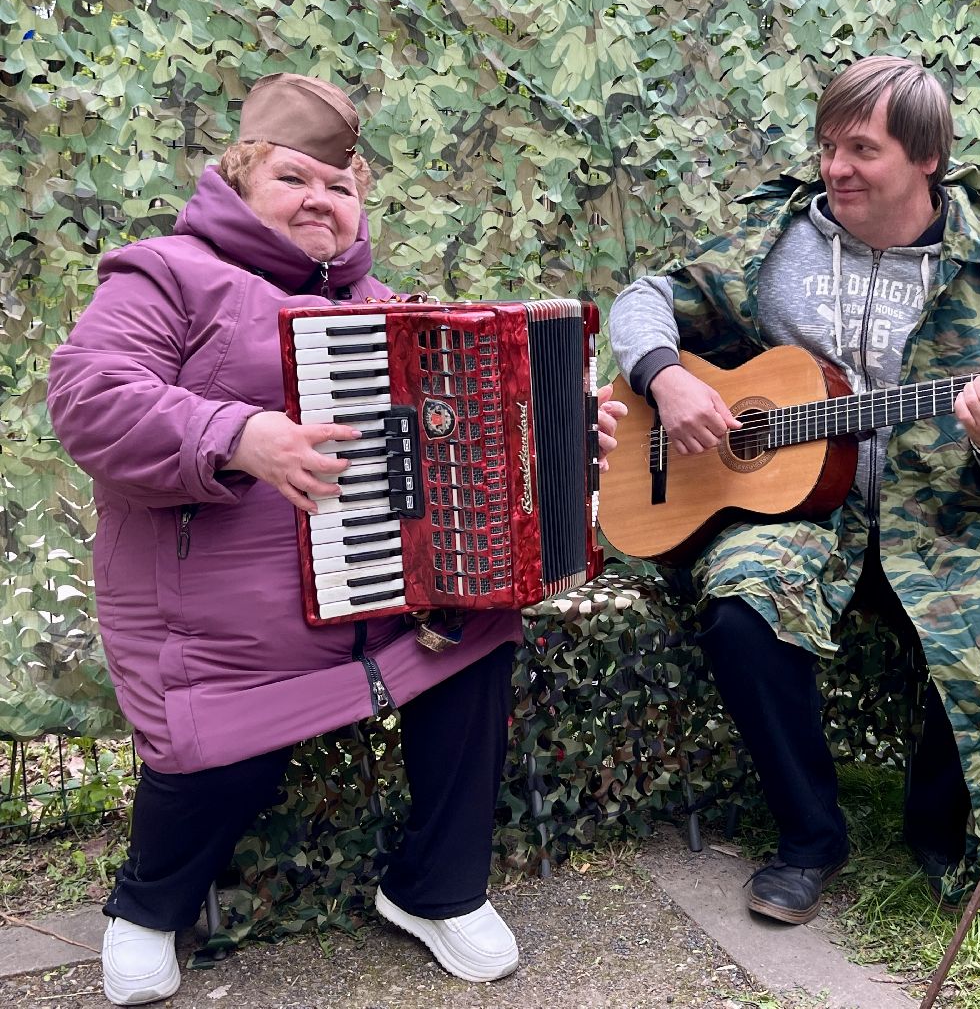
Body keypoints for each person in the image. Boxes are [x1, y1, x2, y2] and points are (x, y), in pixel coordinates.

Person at [46, 73, 627, 1006]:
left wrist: (559, 430)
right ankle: (148, 907)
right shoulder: (165, 273)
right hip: (223, 617)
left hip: (378, 596)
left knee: (479, 634)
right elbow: (89, 400)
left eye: (340, 185)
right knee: (216, 748)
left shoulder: (392, 309)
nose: (320, 199)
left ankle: (435, 889)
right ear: (238, 178)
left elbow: (468, 449)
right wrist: (237, 436)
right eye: (293, 177)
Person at [608, 55, 980, 923]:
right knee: (742, 608)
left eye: (861, 148)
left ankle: (938, 830)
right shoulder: (774, 246)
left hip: (948, 519)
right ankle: (810, 837)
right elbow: (645, 298)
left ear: (927, 157)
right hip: (806, 511)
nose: (835, 168)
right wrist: (665, 375)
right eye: (826, 146)